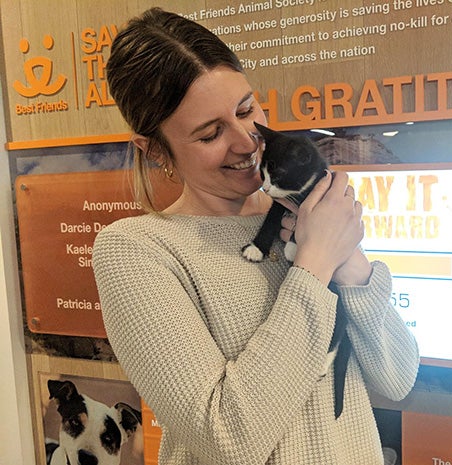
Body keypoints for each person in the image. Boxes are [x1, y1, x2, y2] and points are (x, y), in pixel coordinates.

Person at [92, 7, 419, 465]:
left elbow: (397, 378)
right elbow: (229, 439)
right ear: (155, 150)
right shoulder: (138, 252)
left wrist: (351, 263)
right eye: (210, 134)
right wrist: (315, 264)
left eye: (248, 110)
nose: (247, 142)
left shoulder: (303, 214)